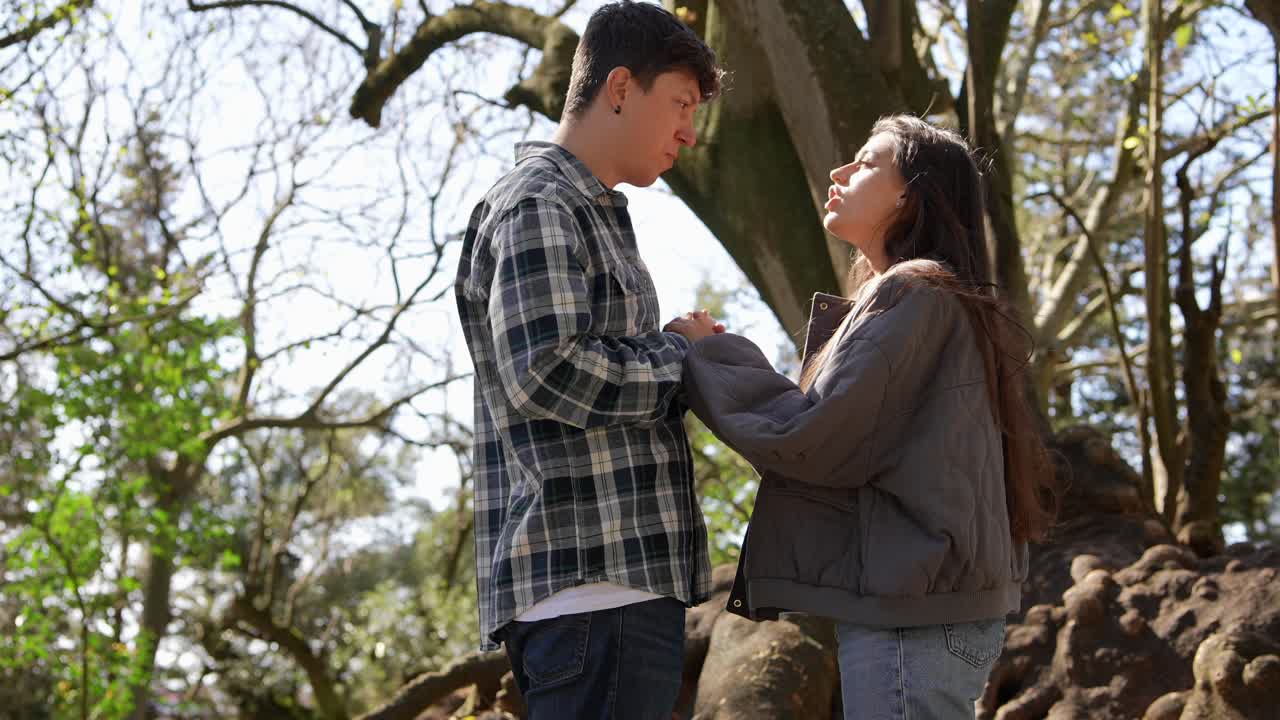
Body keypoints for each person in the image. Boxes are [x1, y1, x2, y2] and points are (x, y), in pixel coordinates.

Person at [667, 114, 1058, 719]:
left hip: (914, 617)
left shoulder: (913, 293)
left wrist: (708, 352)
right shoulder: (934, 299)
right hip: (927, 611)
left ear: (910, 194)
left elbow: (816, 437)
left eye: (868, 161)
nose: (839, 171)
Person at [452, 2, 724, 717]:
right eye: (680, 103)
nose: (689, 131)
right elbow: (547, 370)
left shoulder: (585, 209)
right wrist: (681, 356)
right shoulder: (542, 203)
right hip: (594, 599)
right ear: (621, 87)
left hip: (612, 598)